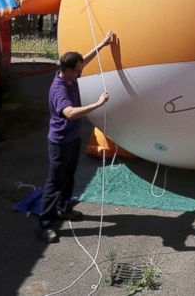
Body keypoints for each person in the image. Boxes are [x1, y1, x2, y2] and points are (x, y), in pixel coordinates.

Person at [38, 31, 115, 243]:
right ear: (69, 70)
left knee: (69, 177)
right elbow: (69, 113)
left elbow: (84, 61)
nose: (81, 72)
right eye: (78, 70)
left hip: (72, 140)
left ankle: (63, 209)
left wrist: (102, 44)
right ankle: (45, 225)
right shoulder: (59, 89)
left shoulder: (70, 74)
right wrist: (98, 104)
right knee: (54, 183)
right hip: (60, 142)